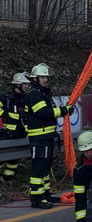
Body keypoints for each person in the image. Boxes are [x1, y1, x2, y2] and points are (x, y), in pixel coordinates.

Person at [23, 63, 74, 209]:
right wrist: (62, 111)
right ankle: (36, 199)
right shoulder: (34, 94)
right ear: (35, 78)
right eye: (42, 77)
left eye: (46, 77)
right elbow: (43, 112)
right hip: (39, 138)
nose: (45, 80)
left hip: (46, 136)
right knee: (38, 168)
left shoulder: (42, 92)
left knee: (45, 168)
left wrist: (63, 111)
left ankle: (45, 194)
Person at [0, 72, 31, 182]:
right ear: (18, 85)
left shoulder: (28, 98)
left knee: (14, 160)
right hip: (8, 134)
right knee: (2, 158)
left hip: (22, 134)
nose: (26, 86)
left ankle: (7, 179)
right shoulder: (6, 98)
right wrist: (7, 115)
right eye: (24, 84)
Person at [72, 130, 92, 222]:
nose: (88, 153)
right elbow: (80, 199)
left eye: (90, 150)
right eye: (85, 151)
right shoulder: (79, 171)